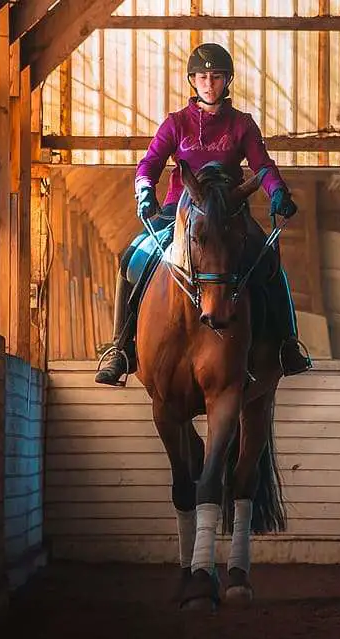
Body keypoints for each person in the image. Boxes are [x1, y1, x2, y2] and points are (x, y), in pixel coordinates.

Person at [94, 43, 313, 386]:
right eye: (202, 76)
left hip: (229, 216)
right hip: (178, 214)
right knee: (130, 260)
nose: (209, 83)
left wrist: (278, 192)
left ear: (227, 81)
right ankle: (121, 348)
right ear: (192, 81)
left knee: (270, 262)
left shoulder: (242, 124)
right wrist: (144, 191)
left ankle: (287, 344)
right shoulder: (176, 123)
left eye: (215, 76)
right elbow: (149, 164)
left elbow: (262, 165)